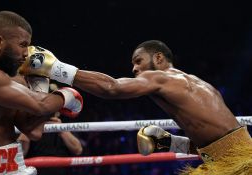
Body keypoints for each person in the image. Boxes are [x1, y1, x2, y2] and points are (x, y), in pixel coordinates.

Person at [19, 41, 252, 174]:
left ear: (159, 58)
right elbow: (220, 140)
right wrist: (171, 143)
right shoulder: (195, 83)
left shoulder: (163, 78)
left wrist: (55, 68)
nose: (134, 69)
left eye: (138, 61)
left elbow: (112, 88)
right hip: (238, 157)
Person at [0, 11, 83, 175]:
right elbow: (41, 105)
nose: (27, 53)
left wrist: (39, 81)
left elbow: (33, 130)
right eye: (23, 44)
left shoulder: (13, 79)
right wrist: (67, 95)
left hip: (12, 164)